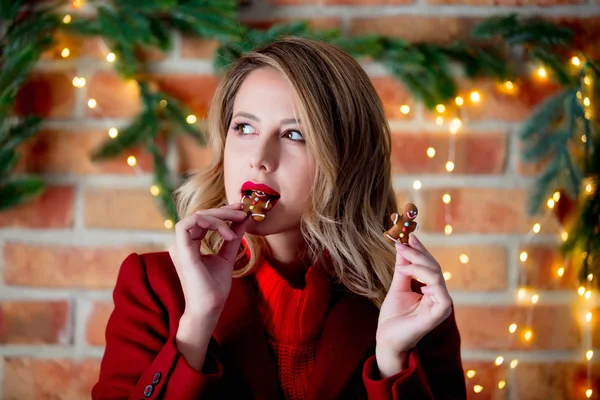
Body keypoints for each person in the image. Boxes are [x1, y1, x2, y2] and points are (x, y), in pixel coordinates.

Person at [91, 36, 466, 400]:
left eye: (293, 134)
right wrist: (196, 325)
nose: (259, 158)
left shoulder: (413, 305)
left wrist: (391, 362)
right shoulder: (154, 286)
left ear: (347, 158)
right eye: (244, 127)